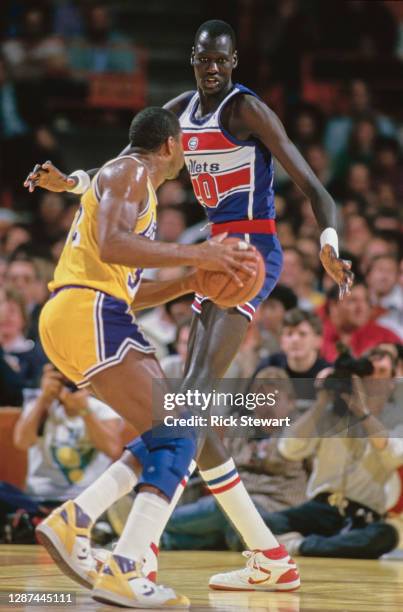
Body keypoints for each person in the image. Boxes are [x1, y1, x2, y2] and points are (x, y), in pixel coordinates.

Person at [25, 19, 352, 592]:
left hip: (249, 251)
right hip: (213, 250)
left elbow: (312, 186)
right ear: (193, 60)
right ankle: (269, 555)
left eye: (222, 60)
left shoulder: (247, 110)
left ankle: (135, 549)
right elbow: (121, 164)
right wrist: (72, 182)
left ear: (234, 62)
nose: (212, 68)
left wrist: (329, 244)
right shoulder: (177, 113)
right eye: (204, 59)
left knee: (189, 403)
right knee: (189, 408)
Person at [28, 106, 258, 609]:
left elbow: (127, 288)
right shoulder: (131, 171)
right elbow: (114, 246)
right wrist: (199, 253)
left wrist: (190, 282)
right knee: (180, 429)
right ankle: (126, 568)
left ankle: (76, 520)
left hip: (83, 312)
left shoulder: (125, 182)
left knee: (172, 429)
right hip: (87, 311)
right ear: (171, 145)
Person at [264, 346, 402, 560]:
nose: (372, 379)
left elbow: (393, 455)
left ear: (393, 381)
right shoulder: (330, 414)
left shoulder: (397, 421)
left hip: (363, 516)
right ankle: (328, 546)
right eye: (367, 372)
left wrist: (362, 412)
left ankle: (301, 546)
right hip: (320, 509)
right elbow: (289, 449)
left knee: (387, 535)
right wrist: (321, 402)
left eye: (381, 372)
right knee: (262, 523)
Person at [162, 368, 308, 551]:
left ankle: (151, 522)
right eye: (261, 399)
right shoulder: (238, 429)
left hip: (277, 507)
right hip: (239, 501)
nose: (267, 406)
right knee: (228, 524)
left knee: (223, 507)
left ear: (291, 402)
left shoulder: (301, 433)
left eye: (275, 399)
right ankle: (163, 538)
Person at [0, 364, 121, 528]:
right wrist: (44, 399)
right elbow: (21, 442)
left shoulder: (101, 408)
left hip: (84, 499)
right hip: (38, 499)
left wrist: (84, 411)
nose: (67, 384)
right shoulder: (39, 404)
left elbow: (112, 449)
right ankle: (45, 517)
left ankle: (40, 521)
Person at [255, 308, 330, 406]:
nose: (295, 339)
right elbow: (245, 408)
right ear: (281, 340)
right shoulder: (268, 366)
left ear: (318, 340)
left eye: (302, 334)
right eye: (289, 334)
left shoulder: (328, 374)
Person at [320, 282, 401, 362]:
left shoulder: (384, 336)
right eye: (353, 300)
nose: (361, 308)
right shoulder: (315, 335)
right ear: (333, 306)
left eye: (366, 301)